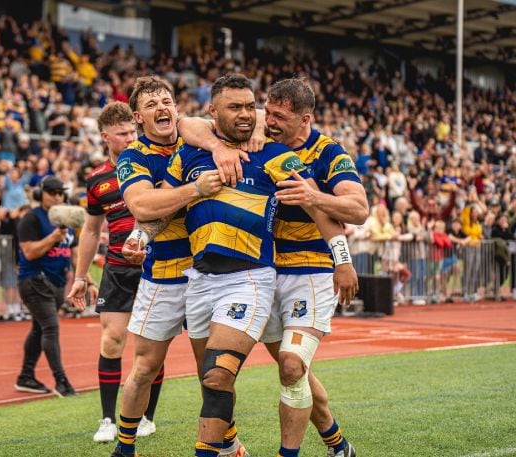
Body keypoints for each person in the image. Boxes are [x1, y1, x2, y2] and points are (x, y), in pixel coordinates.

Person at [132, 74, 345, 457]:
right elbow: (157, 207)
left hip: (249, 278)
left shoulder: (277, 154)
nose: (246, 114)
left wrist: (342, 259)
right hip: (199, 281)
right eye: (235, 108)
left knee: (223, 373)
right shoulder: (190, 153)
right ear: (213, 111)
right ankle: (233, 448)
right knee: (211, 381)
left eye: (251, 107)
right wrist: (141, 237)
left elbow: (318, 206)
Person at [88, 77, 238, 457]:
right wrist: (194, 190)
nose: (162, 108)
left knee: (213, 370)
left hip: (208, 274)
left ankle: (226, 443)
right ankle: (124, 447)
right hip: (164, 276)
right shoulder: (133, 158)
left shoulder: (197, 138)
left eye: (167, 101)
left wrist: (220, 145)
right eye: (152, 104)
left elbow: (234, 117)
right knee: (143, 366)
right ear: (139, 117)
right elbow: (142, 207)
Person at [257, 79, 366, 457]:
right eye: (266, 112)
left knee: (290, 365)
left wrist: (314, 196)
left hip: (312, 271)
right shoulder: (258, 135)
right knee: (297, 369)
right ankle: (338, 444)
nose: (268, 121)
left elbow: (359, 209)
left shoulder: (328, 152)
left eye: (279, 117)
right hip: (263, 273)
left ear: (305, 119)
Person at [67, 99, 169, 443]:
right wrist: (81, 277)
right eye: (122, 133)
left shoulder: (152, 164)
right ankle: (108, 419)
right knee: (112, 341)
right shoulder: (97, 178)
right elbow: (91, 230)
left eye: (132, 131)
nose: (129, 138)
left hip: (157, 263)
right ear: (105, 137)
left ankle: (146, 418)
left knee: (150, 347)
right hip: (117, 267)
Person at [14, 176, 79, 397]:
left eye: (60, 193)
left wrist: (84, 277)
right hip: (34, 280)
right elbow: (29, 252)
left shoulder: (67, 219)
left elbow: (75, 253)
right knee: (50, 327)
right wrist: (52, 238)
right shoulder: (31, 218)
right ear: (42, 194)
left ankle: (25, 376)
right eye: (52, 192)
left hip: (57, 281)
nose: (57, 197)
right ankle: (61, 381)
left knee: (39, 329)